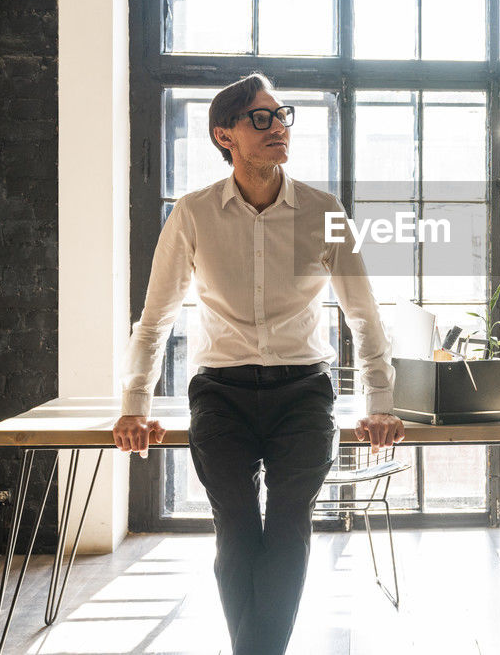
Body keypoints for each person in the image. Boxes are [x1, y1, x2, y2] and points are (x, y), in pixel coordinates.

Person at [112, 72, 404, 655]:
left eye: (282, 116)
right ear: (227, 137)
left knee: (290, 524)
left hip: (304, 392)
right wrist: (133, 407)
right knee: (237, 528)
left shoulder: (325, 211)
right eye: (261, 119)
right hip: (220, 393)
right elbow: (154, 319)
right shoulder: (192, 214)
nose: (278, 129)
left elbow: (364, 316)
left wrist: (380, 405)